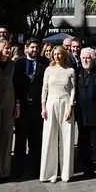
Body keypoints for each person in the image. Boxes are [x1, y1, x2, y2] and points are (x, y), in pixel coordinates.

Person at [40, 46, 76, 183]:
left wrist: (70, 108)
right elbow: (44, 88)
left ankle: (66, 173)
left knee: (66, 138)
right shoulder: (48, 70)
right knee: (50, 137)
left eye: (59, 54)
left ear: (64, 55)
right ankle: (49, 174)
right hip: (51, 103)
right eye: (55, 54)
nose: (57, 56)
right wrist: (43, 106)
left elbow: (73, 90)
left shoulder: (70, 71)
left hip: (66, 103)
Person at [13, 39, 47, 179]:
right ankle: (18, 170)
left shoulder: (44, 63)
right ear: (26, 48)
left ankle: (36, 170)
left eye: (36, 48)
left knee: (36, 140)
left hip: (37, 108)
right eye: (32, 47)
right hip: (22, 107)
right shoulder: (18, 63)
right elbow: (14, 84)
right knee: (20, 140)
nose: (34, 50)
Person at [0, 38, 17, 182]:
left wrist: (17, 104)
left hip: (9, 102)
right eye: (5, 47)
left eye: (9, 48)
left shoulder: (13, 65)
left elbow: (16, 84)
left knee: (7, 136)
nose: (8, 50)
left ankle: (5, 170)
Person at [75, 47, 96, 180]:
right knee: (83, 144)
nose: (86, 60)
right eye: (83, 58)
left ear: (93, 59)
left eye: (88, 58)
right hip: (81, 115)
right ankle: (87, 170)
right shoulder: (77, 73)